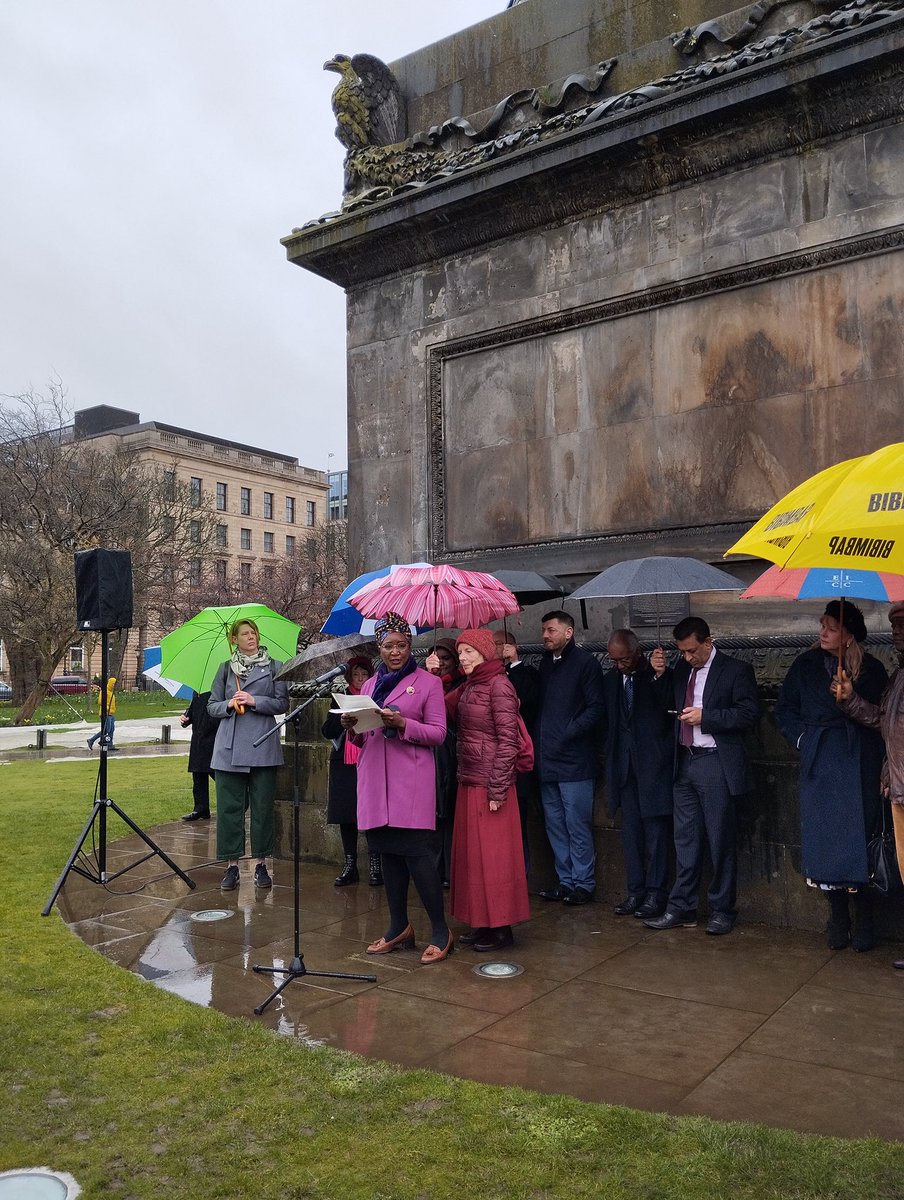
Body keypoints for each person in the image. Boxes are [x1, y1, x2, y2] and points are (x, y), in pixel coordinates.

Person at [775, 601, 888, 952]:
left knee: (861, 837)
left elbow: (881, 719)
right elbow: (785, 709)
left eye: (831, 628)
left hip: (859, 764)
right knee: (827, 841)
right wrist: (804, 741)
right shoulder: (805, 665)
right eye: (822, 625)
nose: (823, 632)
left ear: (849, 636)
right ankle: (837, 918)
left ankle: (865, 920)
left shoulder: (872, 670)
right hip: (820, 761)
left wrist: (850, 697)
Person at [341, 612, 453, 964]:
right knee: (387, 855)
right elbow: (362, 739)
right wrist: (353, 727)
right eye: (388, 646)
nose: (395, 652)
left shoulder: (427, 683)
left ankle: (440, 930)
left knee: (418, 858)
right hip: (375, 781)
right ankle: (399, 927)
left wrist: (404, 723)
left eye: (402, 645)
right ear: (379, 647)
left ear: (410, 645)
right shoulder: (371, 685)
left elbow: (438, 734)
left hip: (411, 784)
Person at [646, 616, 759, 935]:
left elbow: (749, 714)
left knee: (720, 838)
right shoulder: (681, 669)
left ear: (708, 642)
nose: (687, 657)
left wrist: (707, 717)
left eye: (691, 651)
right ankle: (682, 906)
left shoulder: (736, 670)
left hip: (716, 763)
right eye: (681, 651)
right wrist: (659, 674)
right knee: (685, 839)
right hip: (684, 761)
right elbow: (662, 703)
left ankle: (723, 909)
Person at [447, 628, 531, 952]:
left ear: (484, 653)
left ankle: (501, 928)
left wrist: (497, 790)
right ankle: (483, 924)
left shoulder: (500, 685)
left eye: (469, 651)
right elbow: (443, 710)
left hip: (491, 786)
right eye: (461, 652)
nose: (463, 658)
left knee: (495, 861)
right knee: (474, 860)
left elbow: (508, 741)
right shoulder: (471, 685)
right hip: (470, 780)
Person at [835, 601, 904, 968]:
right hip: (896, 785)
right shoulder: (898, 676)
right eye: (894, 631)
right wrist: (850, 700)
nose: (896, 637)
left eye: (902, 631)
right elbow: (883, 722)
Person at [208, 618, 289, 891]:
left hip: (262, 746)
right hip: (229, 749)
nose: (251, 637)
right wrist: (230, 704)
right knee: (229, 810)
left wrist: (255, 701)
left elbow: (282, 703)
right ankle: (231, 867)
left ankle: (261, 865)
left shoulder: (275, 666)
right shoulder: (224, 669)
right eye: (244, 634)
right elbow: (211, 707)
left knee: (262, 809)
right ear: (234, 639)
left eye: (253, 632)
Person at [535, 610, 606, 906]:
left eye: (550, 630)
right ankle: (565, 881)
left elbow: (596, 708)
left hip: (575, 760)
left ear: (568, 632)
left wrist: (569, 732)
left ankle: (583, 883)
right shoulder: (545, 664)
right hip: (547, 759)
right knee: (554, 824)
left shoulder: (586, 664)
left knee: (577, 824)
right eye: (543, 630)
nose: (545, 636)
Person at [602, 629, 673, 919]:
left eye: (625, 659)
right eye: (615, 660)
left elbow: (670, 709)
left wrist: (660, 675)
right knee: (631, 834)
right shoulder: (610, 681)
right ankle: (636, 891)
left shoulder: (654, 676)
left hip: (653, 767)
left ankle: (656, 894)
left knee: (656, 835)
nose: (620, 665)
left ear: (637, 651)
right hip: (624, 769)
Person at [320, 655, 380, 887]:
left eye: (364, 674)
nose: (360, 678)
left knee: (373, 812)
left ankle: (376, 863)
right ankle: (350, 863)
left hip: (370, 759)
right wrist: (342, 719)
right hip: (345, 762)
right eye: (356, 674)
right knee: (347, 813)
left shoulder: (376, 695)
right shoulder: (340, 699)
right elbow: (327, 730)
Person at [494, 630, 540, 871]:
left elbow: (525, 701)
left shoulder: (526, 673)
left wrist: (513, 665)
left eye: (500, 644)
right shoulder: (491, 677)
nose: (496, 649)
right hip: (495, 764)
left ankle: (522, 869)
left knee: (519, 819)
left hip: (518, 759)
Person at [424, 638, 466, 888]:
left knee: (449, 813)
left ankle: (450, 870)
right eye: (436, 657)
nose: (441, 663)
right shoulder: (425, 682)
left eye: (446, 658)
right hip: (431, 758)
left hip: (452, 758)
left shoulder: (463, 683)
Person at [180, 690, 218, 821]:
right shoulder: (197, 691)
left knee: (217, 773)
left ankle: (234, 802)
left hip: (213, 738)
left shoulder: (216, 690)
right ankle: (200, 808)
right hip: (198, 738)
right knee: (198, 774)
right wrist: (185, 719)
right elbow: (192, 710)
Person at [86, 674, 117, 751]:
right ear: (109, 683)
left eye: (115, 684)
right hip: (105, 713)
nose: (114, 685)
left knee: (112, 729)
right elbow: (100, 701)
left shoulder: (112, 693)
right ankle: (92, 740)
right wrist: (107, 708)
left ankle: (109, 744)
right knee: (106, 729)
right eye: (113, 684)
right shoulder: (104, 691)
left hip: (111, 713)